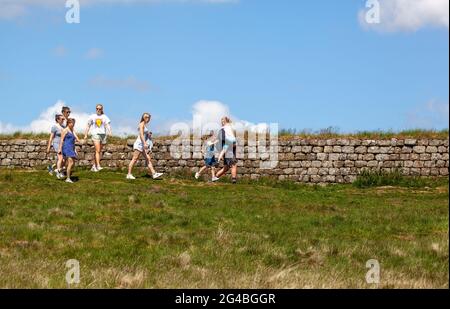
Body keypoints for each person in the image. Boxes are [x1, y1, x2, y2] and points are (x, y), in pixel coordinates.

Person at [126, 113, 163, 180]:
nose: (147, 118)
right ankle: (129, 174)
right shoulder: (141, 124)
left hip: (142, 145)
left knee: (148, 159)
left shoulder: (144, 125)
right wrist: (145, 143)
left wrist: (148, 134)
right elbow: (141, 135)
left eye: (148, 117)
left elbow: (144, 134)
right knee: (134, 159)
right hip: (139, 144)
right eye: (146, 117)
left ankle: (154, 174)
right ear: (143, 117)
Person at [84, 104, 112, 172]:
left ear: (102, 109)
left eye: (99, 109)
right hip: (95, 134)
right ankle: (98, 166)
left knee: (98, 151)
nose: (98, 110)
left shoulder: (104, 116)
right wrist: (86, 134)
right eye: (97, 109)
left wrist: (110, 132)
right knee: (98, 150)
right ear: (95, 109)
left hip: (103, 134)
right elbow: (88, 125)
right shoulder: (92, 116)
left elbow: (107, 125)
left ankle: (94, 166)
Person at [215, 117, 238, 184]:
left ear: (224, 122)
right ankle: (234, 179)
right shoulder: (227, 128)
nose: (221, 122)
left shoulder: (224, 128)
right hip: (231, 144)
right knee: (233, 164)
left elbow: (220, 139)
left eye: (222, 121)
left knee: (226, 167)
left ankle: (216, 177)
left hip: (230, 144)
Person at [58, 118, 80, 184]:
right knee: (70, 163)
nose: (73, 124)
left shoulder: (72, 130)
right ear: (68, 123)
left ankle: (59, 170)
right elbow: (61, 140)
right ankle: (68, 178)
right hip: (66, 147)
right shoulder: (65, 130)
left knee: (72, 164)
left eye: (73, 123)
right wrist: (59, 149)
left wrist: (82, 140)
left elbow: (77, 138)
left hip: (71, 148)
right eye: (72, 123)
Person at [46, 114, 65, 178]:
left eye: (63, 119)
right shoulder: (54, 127)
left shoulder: (63, 126)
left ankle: (54, 168)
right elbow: (51, 137)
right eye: (62, 119)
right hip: (56, 143)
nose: (63, 120)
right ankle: (58, 173)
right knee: (60, 158)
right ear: (57, 119)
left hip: (63, 144)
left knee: (64, 159)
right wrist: (48, 147)